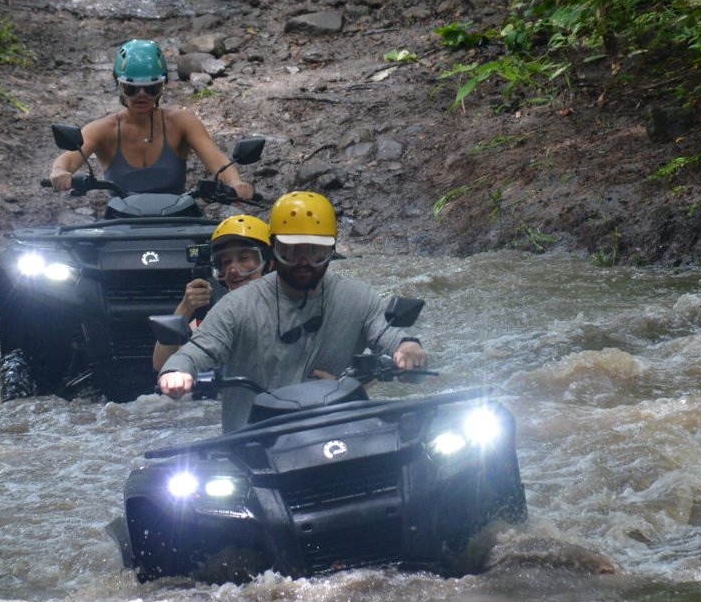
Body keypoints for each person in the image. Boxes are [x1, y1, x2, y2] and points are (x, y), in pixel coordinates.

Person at [157, 191, 428, 432]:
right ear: (274, 250)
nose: (303, 262)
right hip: (255, 440)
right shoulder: (235, 306)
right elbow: (200, 350)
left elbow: (387, 332)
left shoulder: (358, 297)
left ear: (331, 251)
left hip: (338, 430)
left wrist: (407, 347)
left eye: (315, 252)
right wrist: (177, 371)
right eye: (292, 251)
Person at [48, 39, 255, 200]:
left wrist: (235, 182)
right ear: (119, 87)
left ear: (162, 87)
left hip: (179, 219)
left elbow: (217, 160)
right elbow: (68, 158)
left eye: (150, 88)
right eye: (132, 88)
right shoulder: (103, 129)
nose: (141, 96)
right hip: (120, 224)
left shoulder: (181, 122)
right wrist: (59, 172)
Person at [150, 214, 271, 371]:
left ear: (268, 261)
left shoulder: (288, 303)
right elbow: (161, 364)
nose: (233, 270)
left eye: (244, 258)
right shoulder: (215, 310)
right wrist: (185, 309)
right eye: (226, 262)